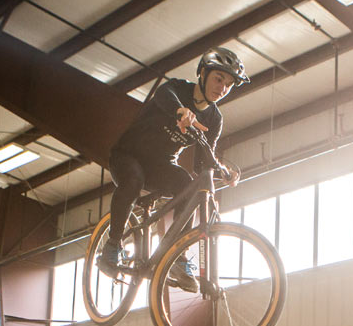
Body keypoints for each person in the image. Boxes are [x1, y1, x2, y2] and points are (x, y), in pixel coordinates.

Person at [99, 47, 250, 291]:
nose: (222, 88)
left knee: (190, 185)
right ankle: (113, 245)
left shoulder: (214, 119)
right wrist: (181, 111)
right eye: (218, 79)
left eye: (229, 84)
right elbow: (163, 95)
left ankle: (178, 255)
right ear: (203, 73)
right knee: (133, 181)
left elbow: (203, 161)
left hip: (161, 166)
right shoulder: (177, 89)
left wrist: (222, 170)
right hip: (127, 155)